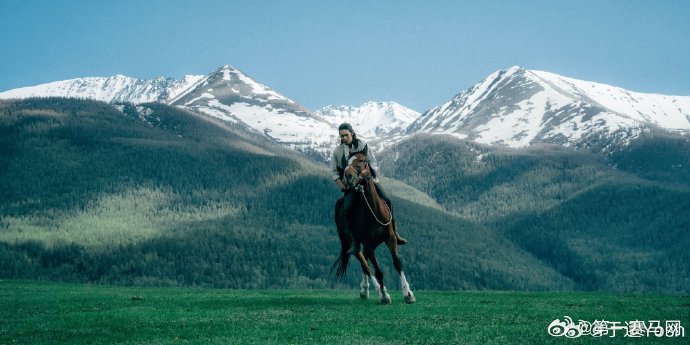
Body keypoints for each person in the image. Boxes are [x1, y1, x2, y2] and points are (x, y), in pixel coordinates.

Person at [331, 123, 407, 255]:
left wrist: (372, 177)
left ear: (352, 133)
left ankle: (394, 233)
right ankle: (355, 242)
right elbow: (334, 172)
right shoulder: (337, 152)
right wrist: (341, 185)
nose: (343, 138)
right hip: (351, 185)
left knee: (388, 200)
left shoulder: (363, 145)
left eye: (346, 135)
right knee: (347, 209)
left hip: (368, 181)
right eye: (341, 136)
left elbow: (373, 163)